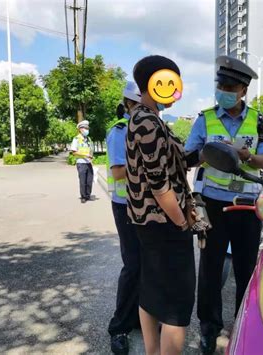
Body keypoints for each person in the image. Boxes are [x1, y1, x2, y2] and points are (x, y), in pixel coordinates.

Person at [185, 55, 263, 354]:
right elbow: (188, 157)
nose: (223, 90)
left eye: (229, 86)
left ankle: (244, 326)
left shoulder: (259, 120)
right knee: (210, 270)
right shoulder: (204, 119)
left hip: (247, 206)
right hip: (212, 204)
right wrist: (209, 153)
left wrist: (245, 155)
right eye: (220, 85)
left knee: (247, 270)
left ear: (243, 91)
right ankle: (209, 329)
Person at [126, 55, 195, 355]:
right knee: (178, 304)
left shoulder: (148, 119)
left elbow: (173, 161)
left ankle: (152, 352)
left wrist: (205, 153)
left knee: (152, 291)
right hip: (165, 223)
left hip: (149, 223)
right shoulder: (147, 122)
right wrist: (182, 221)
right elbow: (159, 183)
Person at [106, 81, 142, 354]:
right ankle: (119, 326)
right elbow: (118, 172)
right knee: (132, 265)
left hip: (147, 206)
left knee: (147, 263)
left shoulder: (149, 127)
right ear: (129, 104)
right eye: (139, 106)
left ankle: (140, 316)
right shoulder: (120, 131)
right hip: (126, 205)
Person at [70, 120, 94, 203]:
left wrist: (91, 157)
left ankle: (88, 195)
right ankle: (83, 197)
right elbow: (74, 152)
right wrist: (85, 155)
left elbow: (90, 149)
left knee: (89, 180)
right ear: (80, 129)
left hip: (88, 162)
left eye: (87, 128)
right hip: (81, 162)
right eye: (85, 128)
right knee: (83, 180)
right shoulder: (76, 139)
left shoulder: (89, 139)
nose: (87, 130)